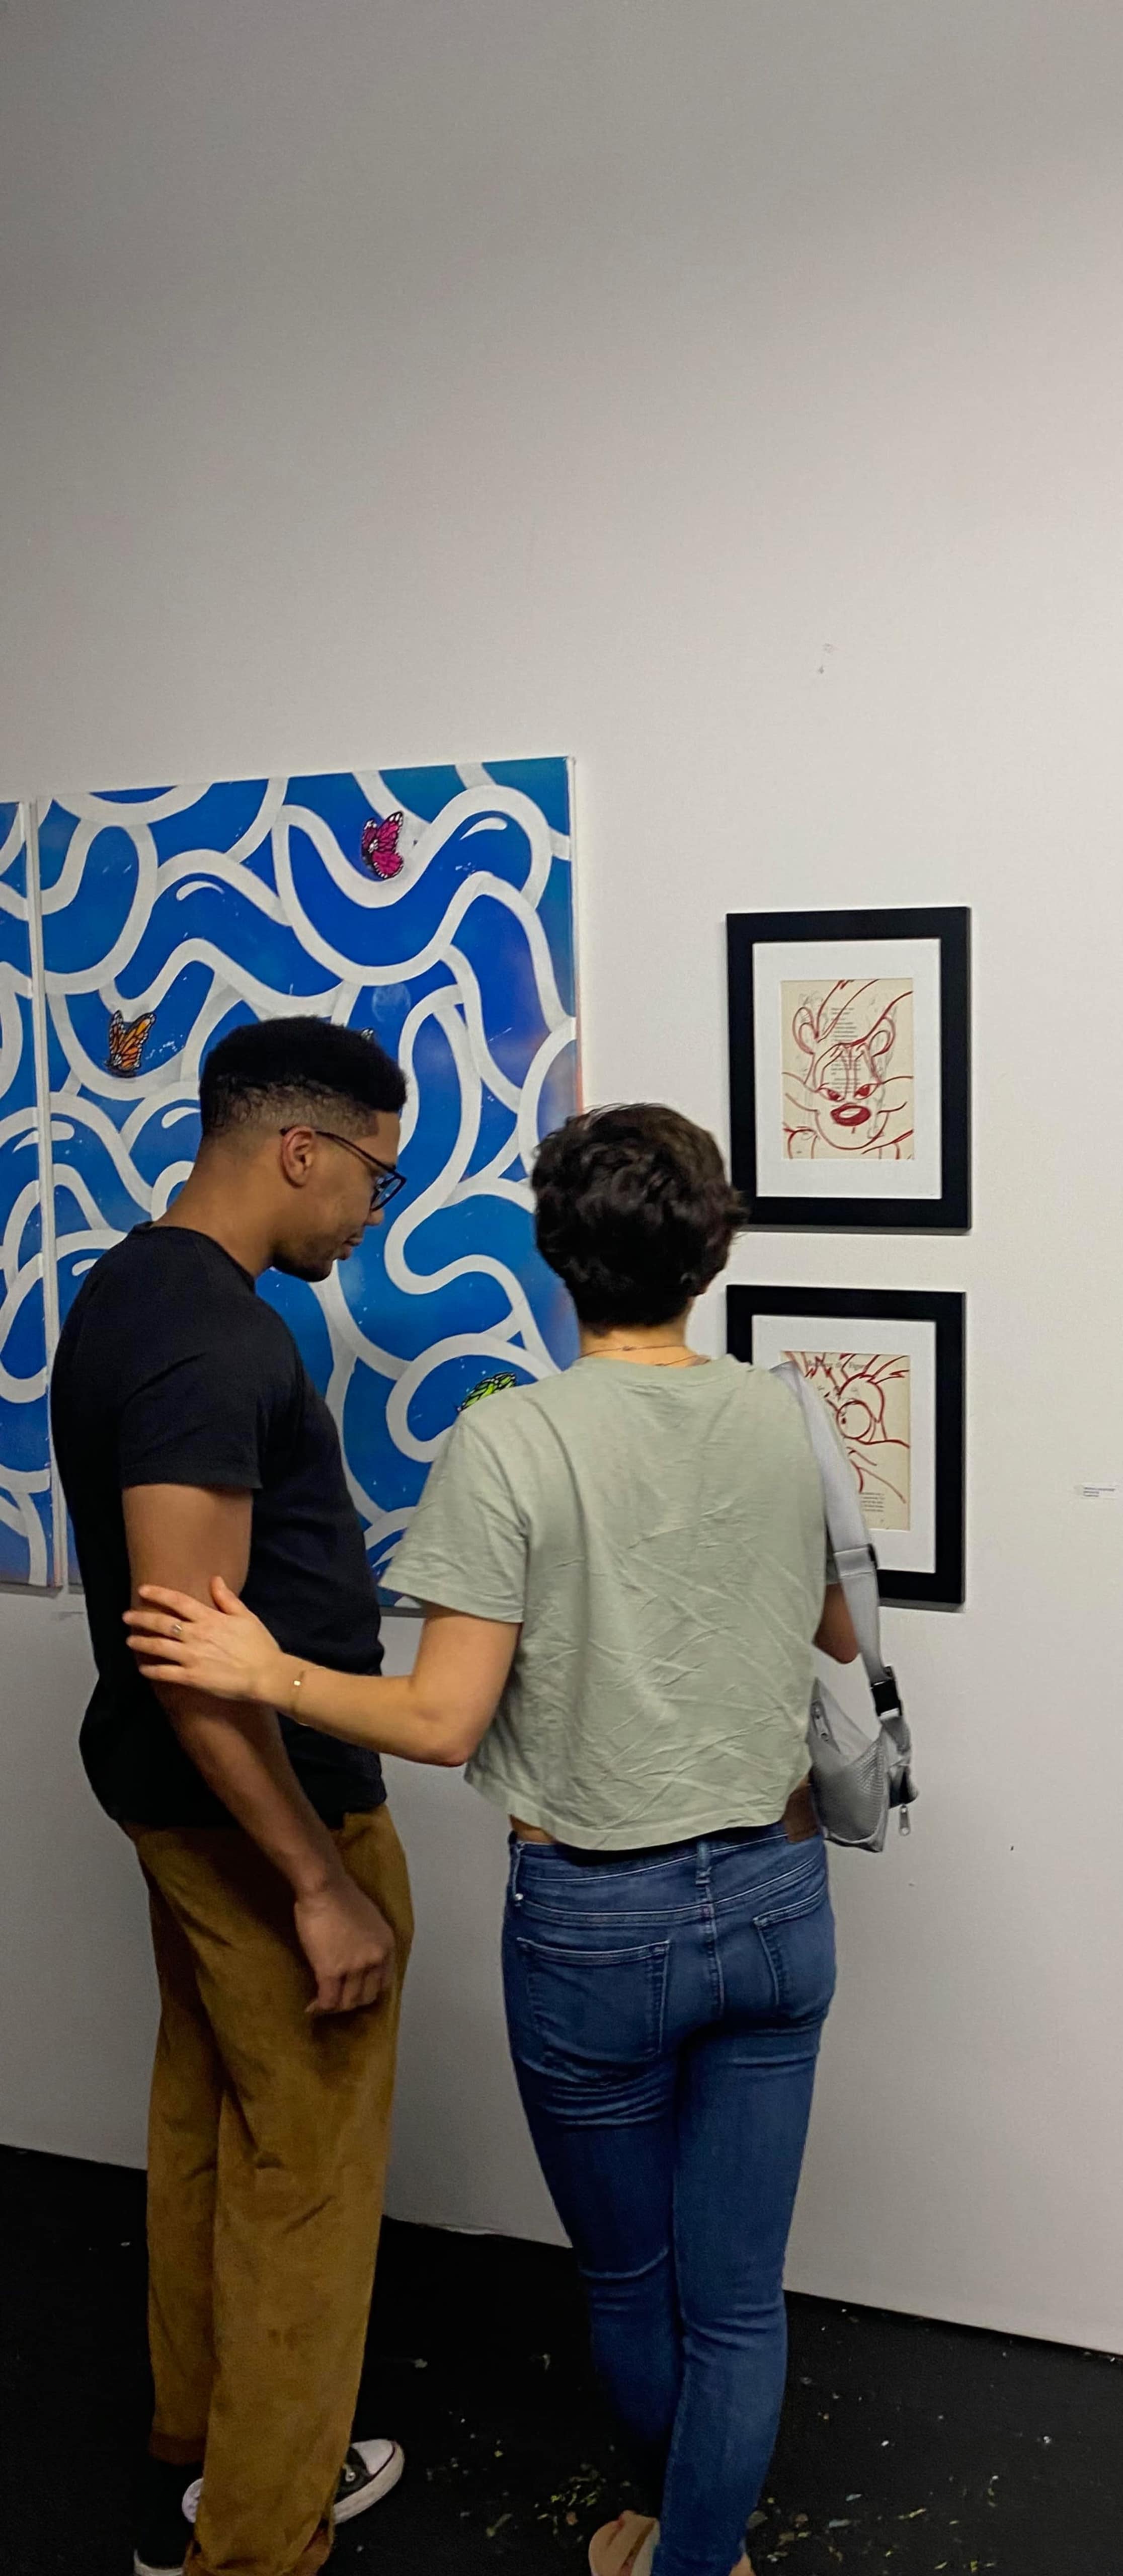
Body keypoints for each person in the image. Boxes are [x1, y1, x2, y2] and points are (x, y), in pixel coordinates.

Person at [126, 1102, 860, 2576]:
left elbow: (443, 1719)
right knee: (738, 2300)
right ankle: (693, 2556)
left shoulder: (512, 1439)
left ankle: (667, 2525)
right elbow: (838, 1631)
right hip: (780, 1899)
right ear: (712, 1250)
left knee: (632, 2274)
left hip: (601, 1922)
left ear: (554, 1254)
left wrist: (271, 1675)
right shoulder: (792, 1413)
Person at [50, 1016, 416, 2576]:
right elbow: (189, 1650)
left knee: (209, 2108)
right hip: (272, 1815)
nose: (373, 1214)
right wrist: (320, 1883)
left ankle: (208, 2445)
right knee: (309, 2169)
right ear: (300, 1149)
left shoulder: (129, 1287)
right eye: (376, 1181)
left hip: (176, 1806)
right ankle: (259, 2539)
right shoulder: (215, 1339)